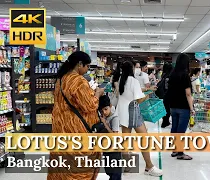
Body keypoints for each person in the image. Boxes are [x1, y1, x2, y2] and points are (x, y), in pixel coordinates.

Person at [47, 51, 105, 180]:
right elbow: (89, 105)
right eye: (87, 66)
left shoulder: (61, 79)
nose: (87, 69)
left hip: (60, 127)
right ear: (79, 64)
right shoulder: (78, 81)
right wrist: (97, 94)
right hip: (75, 129)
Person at [116, 61, 162, 177]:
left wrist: (145, 90)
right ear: (132, 69)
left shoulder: (122, 78)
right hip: (132, 111)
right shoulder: (134, 81)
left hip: (122, 111)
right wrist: (149, 93)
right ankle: (149, 166)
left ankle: (126, 167)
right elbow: (139, 100)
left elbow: (129, 91)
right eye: (135, 67)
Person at [167, 53, 194, 160]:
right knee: (181, 130)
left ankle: (174, 150)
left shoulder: (172, 74)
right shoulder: (185, 75)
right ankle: (180, 153)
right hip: (183, 107)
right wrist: (192, 108)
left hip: (173, 106)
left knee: (174, 128)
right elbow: (188, 94)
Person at [98, 95, 122, 180]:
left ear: (110, 106)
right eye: (101, 111)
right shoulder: (104, 117)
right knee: (109, 171)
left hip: (115, 151)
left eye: (105, 109)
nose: (104, 112)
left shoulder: (114, 118)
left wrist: (105, 124)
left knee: (115, 174)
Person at [159, 63, 173, 128]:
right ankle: (165, 122)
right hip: (169, 95)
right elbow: (168, 87)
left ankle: (165, 121)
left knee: (166, 109)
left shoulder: (164, 75)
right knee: (168, 110)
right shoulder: (170, 75)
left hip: (165, 95)